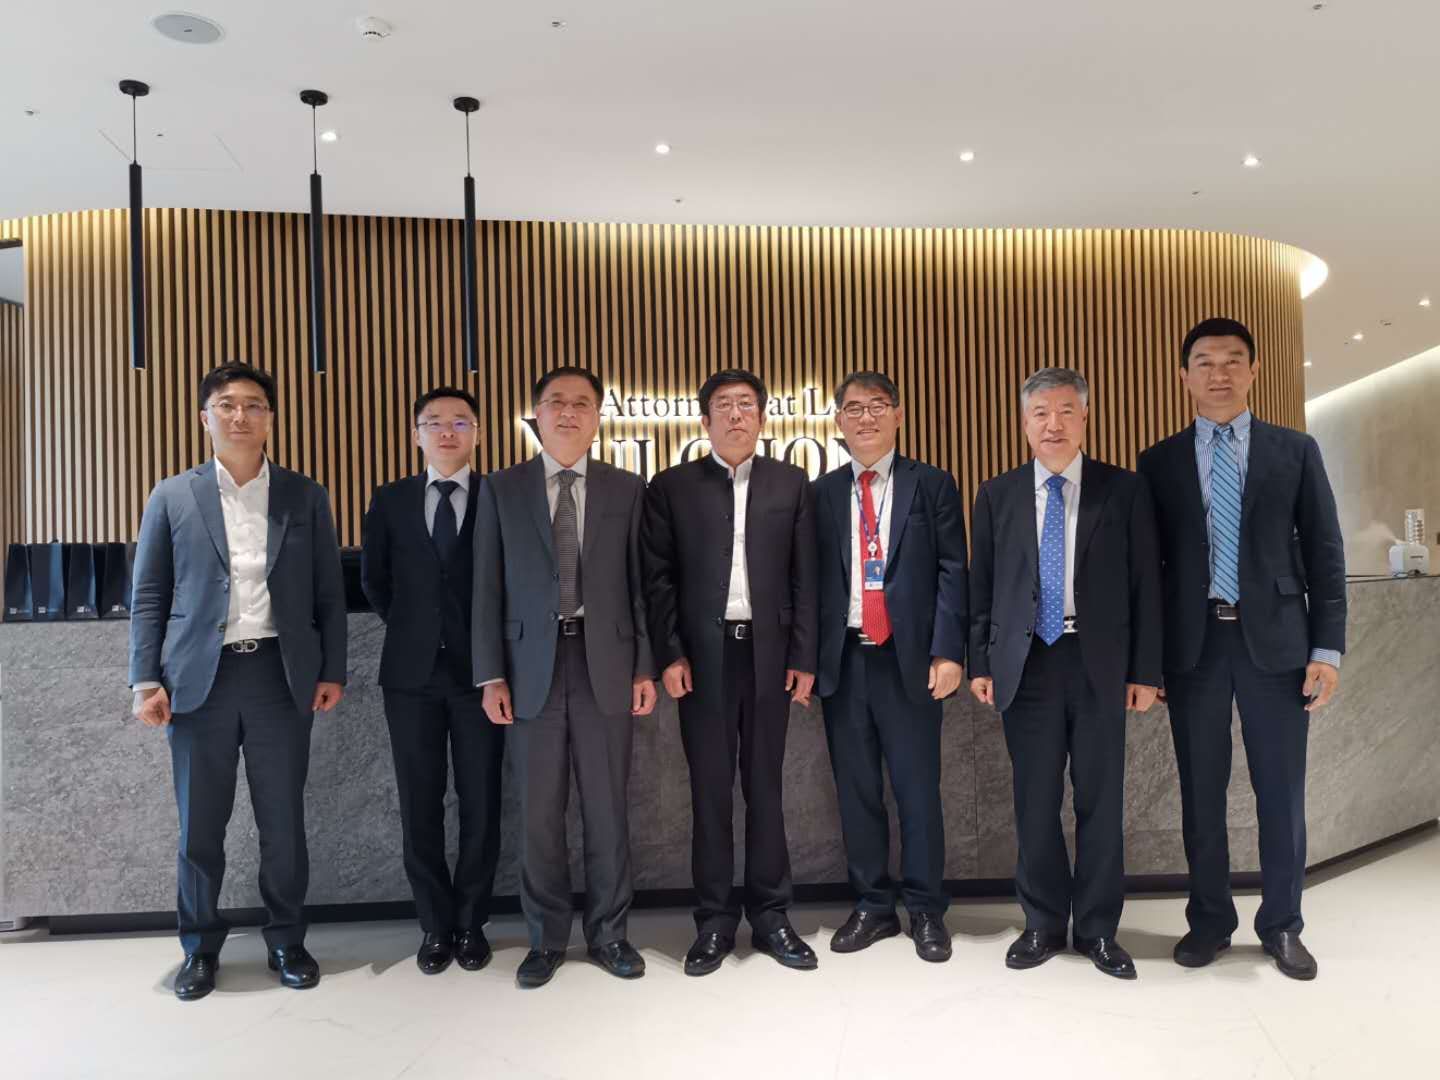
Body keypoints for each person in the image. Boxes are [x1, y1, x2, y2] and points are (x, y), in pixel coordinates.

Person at [129, 361, 346, 1001]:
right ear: (206, 418)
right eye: (226, 404)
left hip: (281, 676)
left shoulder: (305, 495)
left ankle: (287, 940)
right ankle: (199, 948)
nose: (240, 415)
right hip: (200, 681)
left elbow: (329, 594)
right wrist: (144, 679)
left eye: (254, 405)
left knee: (284, 822)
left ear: (270, 418)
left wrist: (332, 669)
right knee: (200, 825)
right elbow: (149, 593)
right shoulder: (173, 495)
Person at [1138, 317, 1345, 981]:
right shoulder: (1158, 461)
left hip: (1278, 646)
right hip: (1194, 648)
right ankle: (1209, 922)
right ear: (1184, 377)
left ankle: (1282, 924)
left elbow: (1325, 552)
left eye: (1232, 360)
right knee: (1200, 794)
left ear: (1254, 371)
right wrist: (1149, 661)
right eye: (1204, 361)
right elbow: (1149, 571)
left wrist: (1327, 649)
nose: (1219, 373)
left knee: (1280, 792)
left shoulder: (1295, 450)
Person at [969, 367, 1162, 979]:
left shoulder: (1124, 490)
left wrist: (1146, 671)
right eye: (1040, 413)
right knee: (1035, 801)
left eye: (1065, 411)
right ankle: (1043, 924)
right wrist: (980, 661)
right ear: (1024, 422)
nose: (1053, 424)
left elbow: (1146, 585)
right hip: (1026, 666)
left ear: (1084, 417)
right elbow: (982, 588)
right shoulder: (997, 494)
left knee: (1101, 801)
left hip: (1099, 663)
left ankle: (1099, 929)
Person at [474, 367, 658, 988]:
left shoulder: (626, 488)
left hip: (606, 663)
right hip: (530, 671)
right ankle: (546, 938)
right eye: (556, 402)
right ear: (537, 414)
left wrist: (644, 665)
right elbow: (485, 588)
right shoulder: (501, 488)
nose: (569, 413)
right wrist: (490, 675)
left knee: (608, 808)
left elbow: (640, 587)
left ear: (597, 417)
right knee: (539, 814)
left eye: (582, 403)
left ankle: (610, 934)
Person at [642, 368, 819, 975]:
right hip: (702, 661)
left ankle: (771, 916)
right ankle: (714, 921)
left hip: (770, 658)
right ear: (705, 420)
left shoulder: (791, 484)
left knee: (766, 788)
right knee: (710, 792)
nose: (736, 414)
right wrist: (670, 654)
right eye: (724, 405)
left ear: (763, 417)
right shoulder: (672, 487)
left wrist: (803, 658)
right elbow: (657, 581)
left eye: (746, 404)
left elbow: (806, 578)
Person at [813, 371, 968, 963]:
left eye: (878, 406)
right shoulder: (822, 493)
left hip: (911, 662)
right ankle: (873, 906)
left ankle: (926, 908)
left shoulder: (932, 484)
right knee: (857, 792)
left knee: (917, 790)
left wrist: (948, 651)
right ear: (838, 421)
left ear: (899, 415)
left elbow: (953, 569)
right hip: (845, 661)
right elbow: (808, 582)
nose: (866, 417)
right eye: (854, 408)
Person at [361, 387, 504, 976]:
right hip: (410, 676)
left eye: (460, 422)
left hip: (482, 675)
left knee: (481, 801)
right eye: (434, 422)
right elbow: (375, 579)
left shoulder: (499, 496)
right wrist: (417, 629)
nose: (448, 432)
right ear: (416, 434)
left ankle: (471, 923)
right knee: (418, 801)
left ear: (477, 433)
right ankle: (434, 925)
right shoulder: (390, 499)